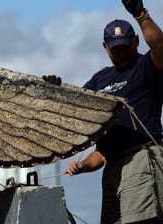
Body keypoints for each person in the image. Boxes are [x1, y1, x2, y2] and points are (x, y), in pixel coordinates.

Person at [65, 0, 163, 223]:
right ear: (105, 47)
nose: (120, 53)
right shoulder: (100, 79)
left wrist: (141, 15)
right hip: (112, 169)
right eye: (114, 48)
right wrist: (56, 90)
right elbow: (75, 109)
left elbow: (160, 46)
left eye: (124, 46)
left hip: (140, 159)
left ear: (136, 42)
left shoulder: (147, 66)